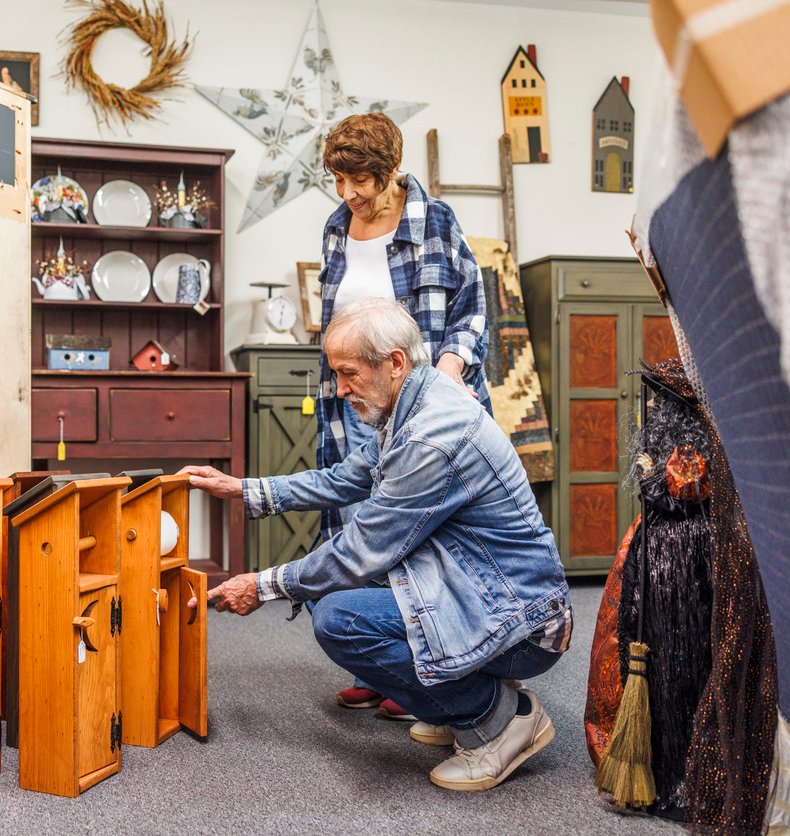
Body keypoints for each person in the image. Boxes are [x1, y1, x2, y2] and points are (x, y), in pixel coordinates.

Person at [183, 300, 570, 792]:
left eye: (348, 373)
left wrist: (260, 586)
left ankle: (498, 718)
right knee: (328, 592)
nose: (341, 389)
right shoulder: (412, 404)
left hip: (522, 626)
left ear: (394, 362)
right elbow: (343, 479)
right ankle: (463, 696)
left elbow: (358, 552)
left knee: (340, 620)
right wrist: (242, 488)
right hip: (484, 594)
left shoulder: (431, 435)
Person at [315, 112, 492, 718]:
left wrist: (444, 380)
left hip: (422, 399)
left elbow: (471, 312)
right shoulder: (336, 230)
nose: (348, 194)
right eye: (339, 180)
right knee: (358, 521)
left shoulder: (436, 220)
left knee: (417, 531)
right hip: (358, 399)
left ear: (390, 171)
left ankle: (423, 665)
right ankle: (377, 659)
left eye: (359, 180)